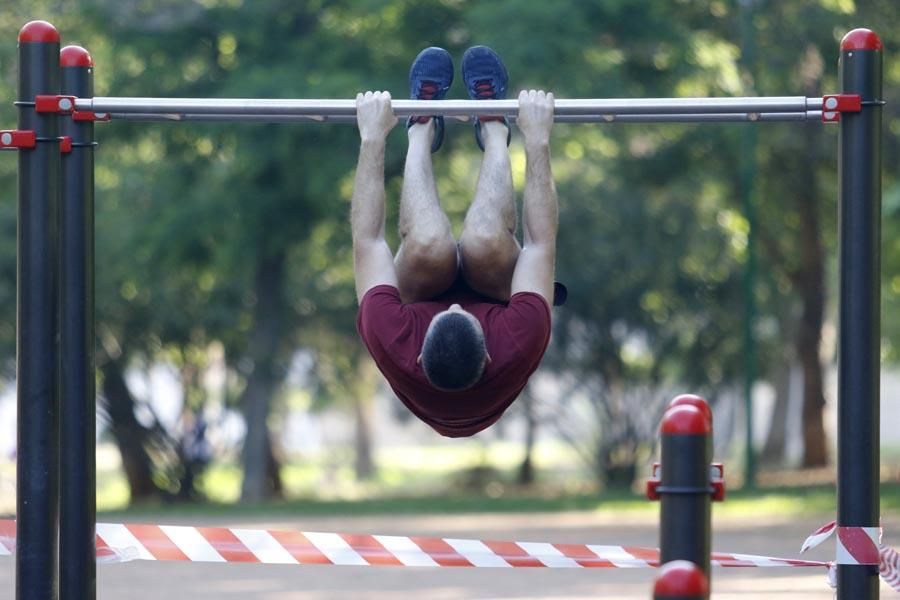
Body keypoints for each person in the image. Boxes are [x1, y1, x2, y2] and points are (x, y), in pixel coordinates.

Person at [352, 45, 559, 437]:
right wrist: (537, 140)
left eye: (446, 310)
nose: (455, 301)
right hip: (496, 290)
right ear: (487, 351)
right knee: (482, 241)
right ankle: (495, 128)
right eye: (461, 310)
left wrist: (372, 137)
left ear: (418, 350)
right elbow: (540, 243)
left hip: (423, 286)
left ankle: (419, 128)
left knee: (429, 245)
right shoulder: (519, 338)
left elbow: (369, 241)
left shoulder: (392, 338)